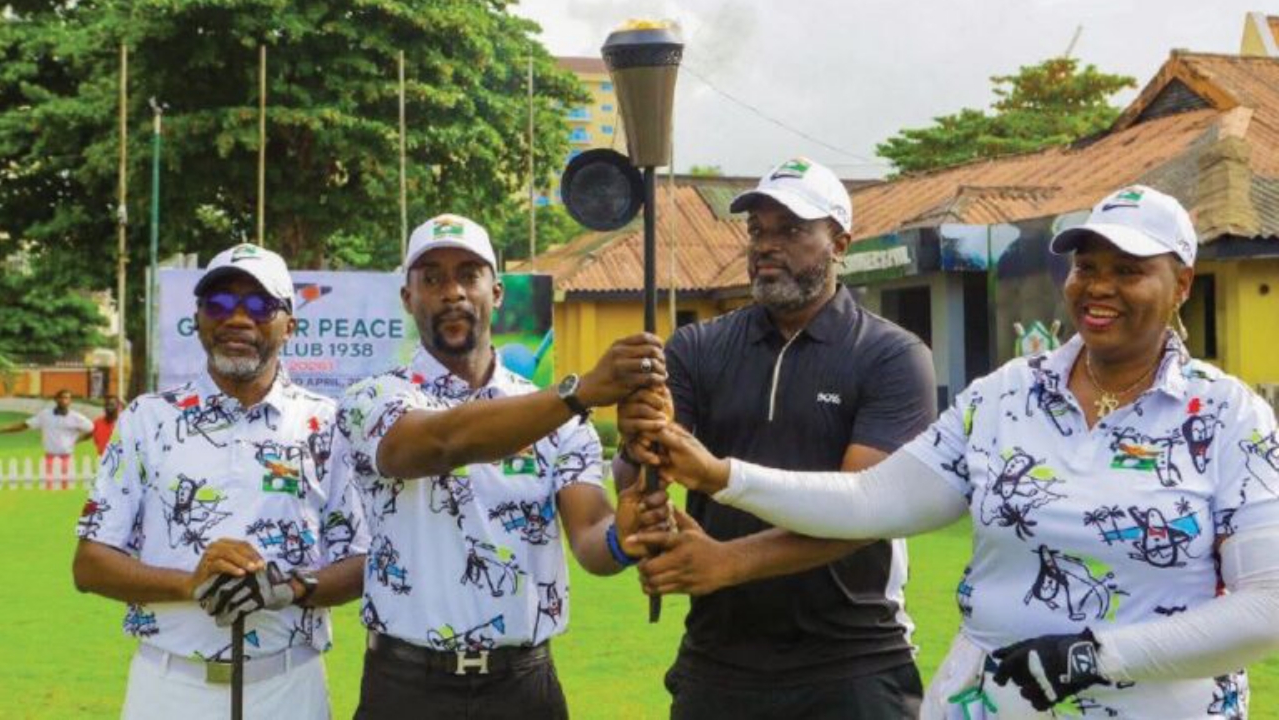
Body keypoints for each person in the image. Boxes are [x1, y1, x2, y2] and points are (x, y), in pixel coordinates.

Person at [641, 185, 1279, 718]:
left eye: (1129, 270)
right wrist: (721, 475)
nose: (1098, 287)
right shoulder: (1006, 396)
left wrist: (1091, 656)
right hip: (989, 702)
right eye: (1086, 267)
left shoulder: (1228, 416)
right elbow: (872, 499)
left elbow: (1267, 606)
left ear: (1183, 285)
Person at [616, 157, 937, 719]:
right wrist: (638, 447)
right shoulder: (695, 347)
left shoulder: (891, 355)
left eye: (791, 230)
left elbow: (866, 510)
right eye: (758, 231)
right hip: (719, 659)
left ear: (841, 243)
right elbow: (645, 474)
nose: (767, 245)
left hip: (853, 660)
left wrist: (727, 562)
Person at [337, 214, 669, 720]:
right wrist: (579, 393)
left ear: (497, 292)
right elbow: (441, 442)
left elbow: (589, 538)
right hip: (406, 687)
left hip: (524, 688)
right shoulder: (373, 398)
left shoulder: (558, 415)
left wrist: (622, 537)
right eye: (431, 278)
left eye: (469, 275)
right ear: (407, 298)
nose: (452, 292)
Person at [72, 243, 370, 720]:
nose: (237, 318)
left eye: (258, 305)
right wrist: (191, 583)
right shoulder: (148, 420)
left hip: (288, 686)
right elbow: (89, 565)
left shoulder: (327, 423)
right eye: (219, 303)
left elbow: (361, 561)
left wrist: (290, 587)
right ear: (198, 318)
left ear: (289, 325)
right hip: (168, 686)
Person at [0, 389, 94, 478]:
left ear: (70, 401)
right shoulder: (45, 415)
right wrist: (2, 429)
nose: (64, 400)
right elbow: (25, 425)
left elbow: (92, 430)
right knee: (49, 484)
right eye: (62, 397)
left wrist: (79, 440)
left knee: (67, 485)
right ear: (56, 399)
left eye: (67, 398)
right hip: (50, 457)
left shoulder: (76, 418)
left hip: (67, 457)